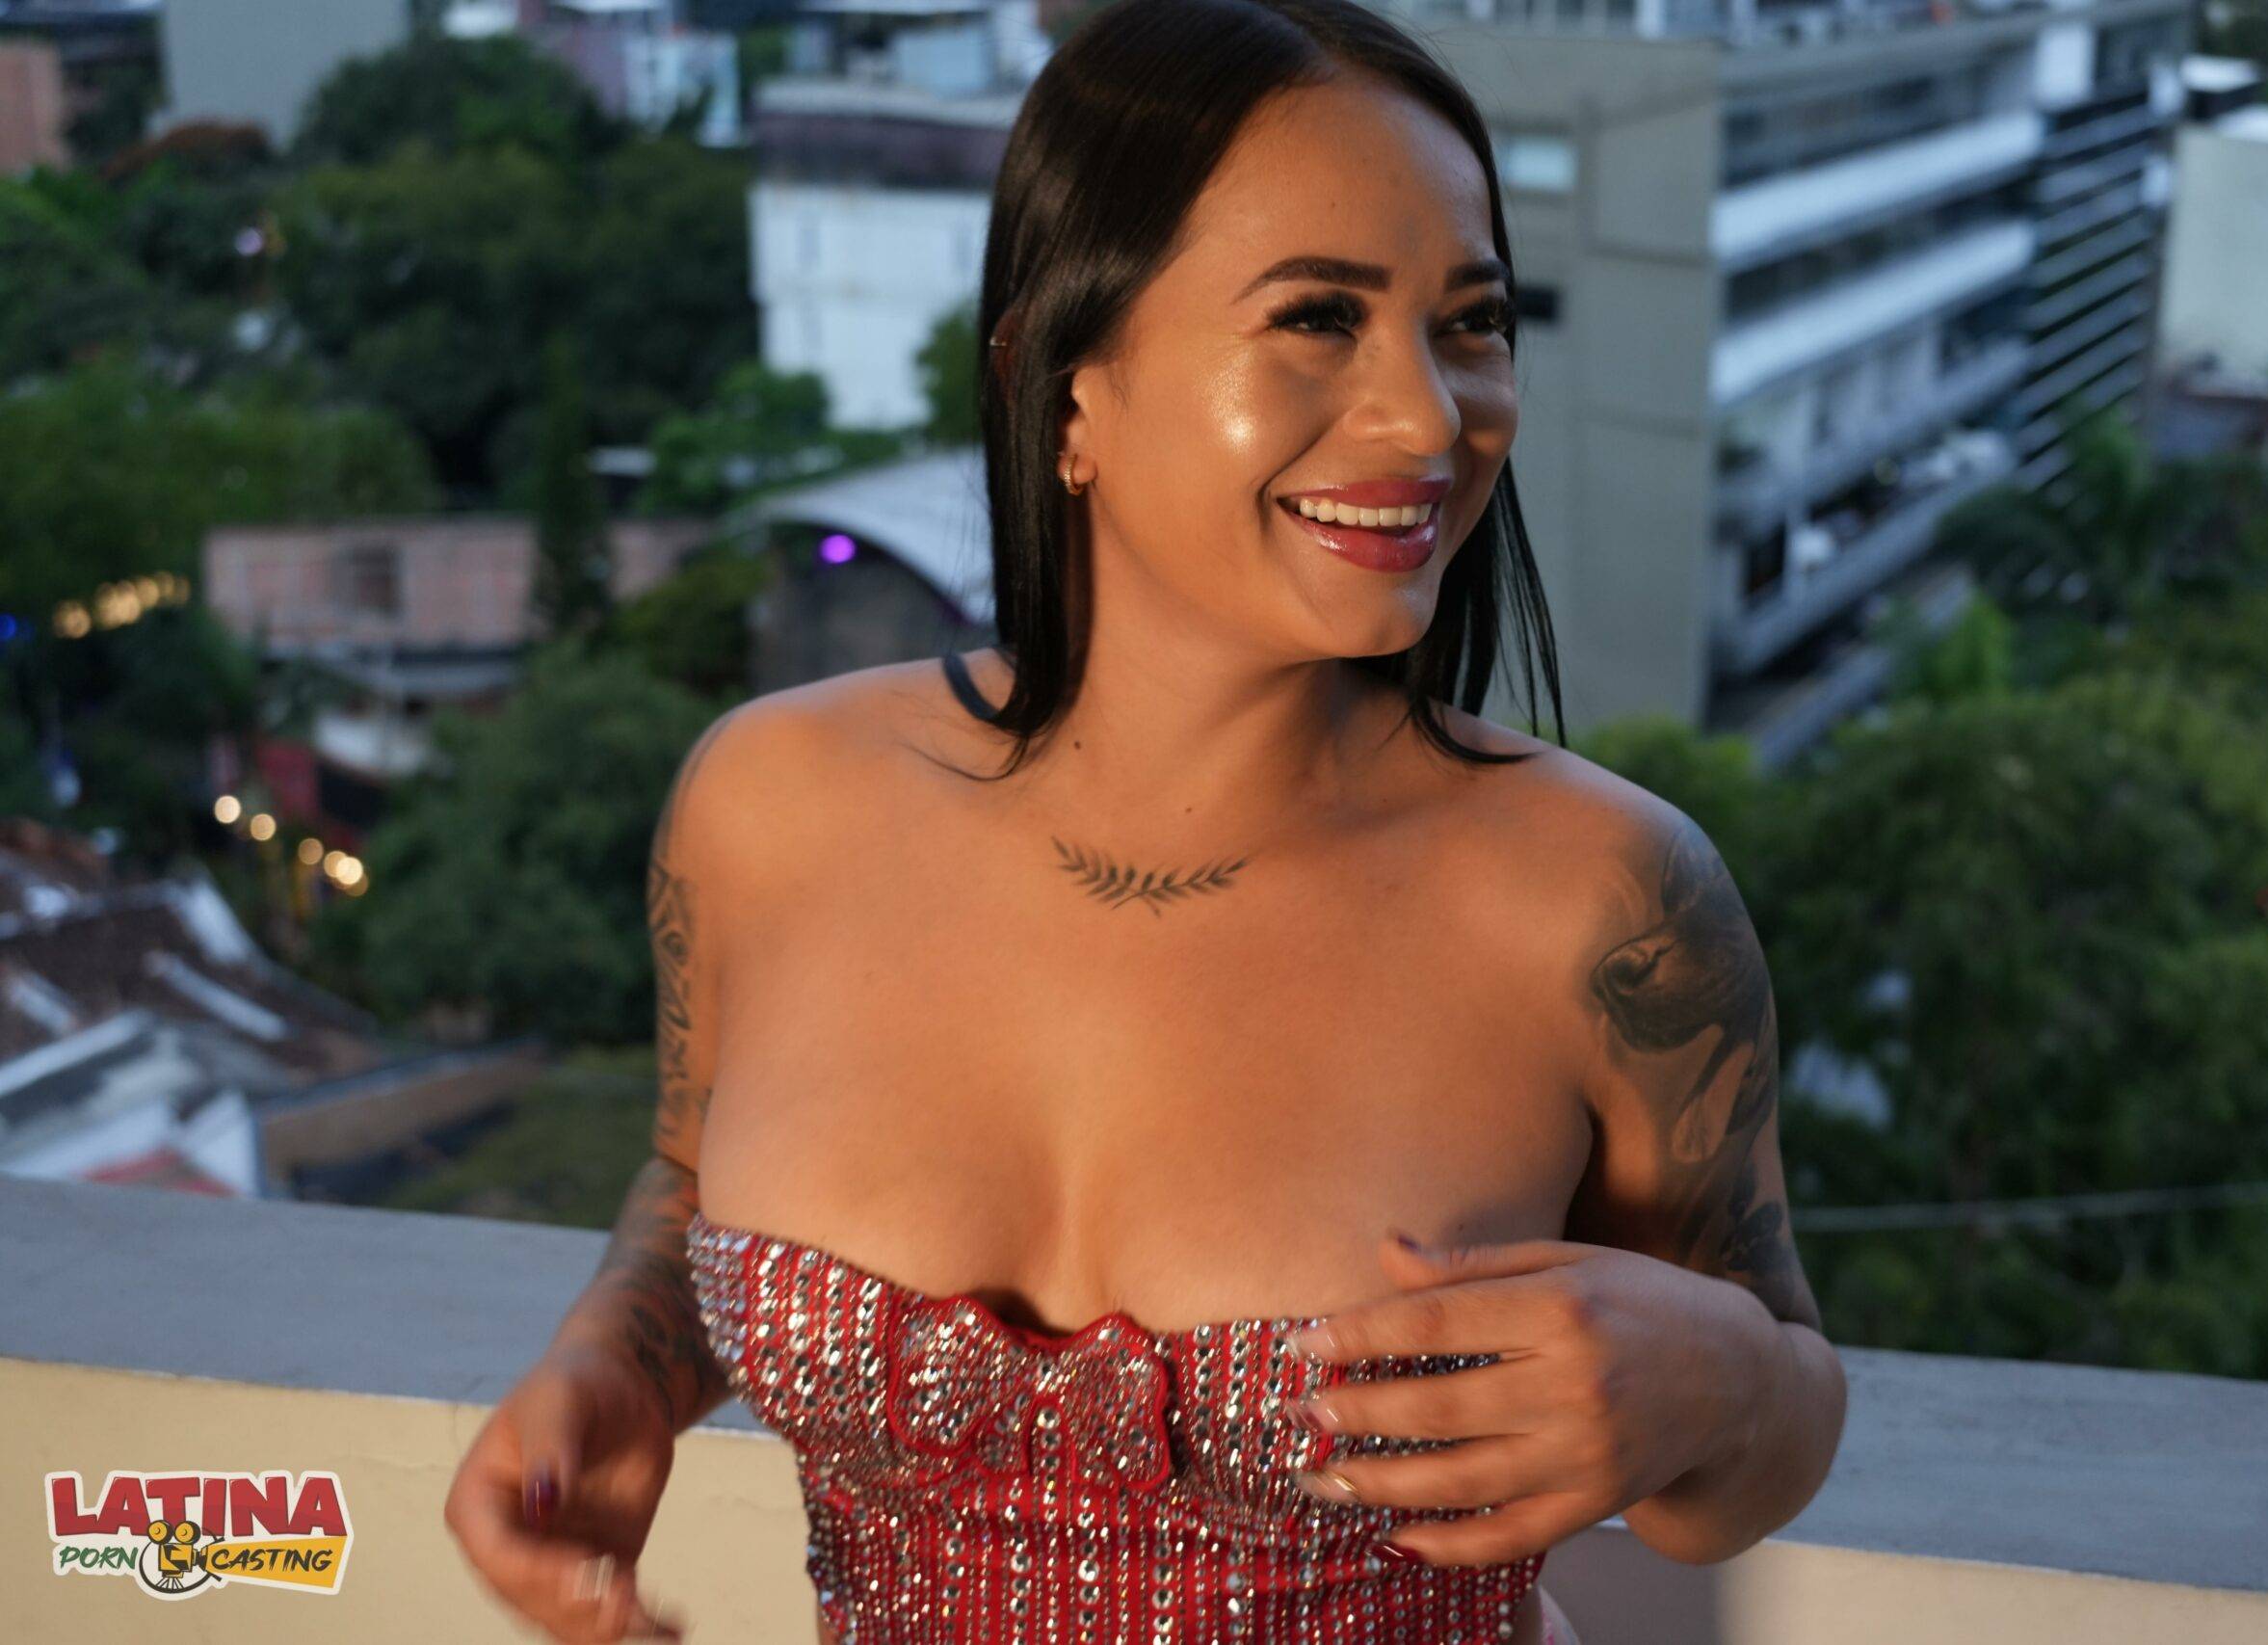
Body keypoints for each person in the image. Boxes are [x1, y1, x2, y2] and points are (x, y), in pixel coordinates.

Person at [442, 0, 1846, 1638]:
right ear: (1062, 387)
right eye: (1318, 317)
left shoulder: (1606, 904)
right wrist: (614, 1365)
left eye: (1471, 324)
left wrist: (1732, 1388)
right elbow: (694, 1178)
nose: (1429, 417)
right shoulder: (767, 804)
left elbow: (1752, 1445)